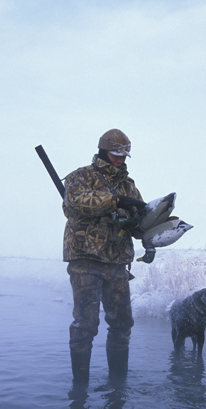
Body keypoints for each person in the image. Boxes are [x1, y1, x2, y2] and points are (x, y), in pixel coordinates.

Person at [62, 129, 146, 383]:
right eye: (115, 154)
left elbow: (141, 217)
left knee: (122, 324)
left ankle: (118, 384)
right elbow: (77, 201)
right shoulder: (81, 176)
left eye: (124, 155)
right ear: (103, 151)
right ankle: (80, 389)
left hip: (118, 263)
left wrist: (142, 223)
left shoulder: (129, 185)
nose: (120, 160)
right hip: (86, 260)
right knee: (85, 326)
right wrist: (116, 201)